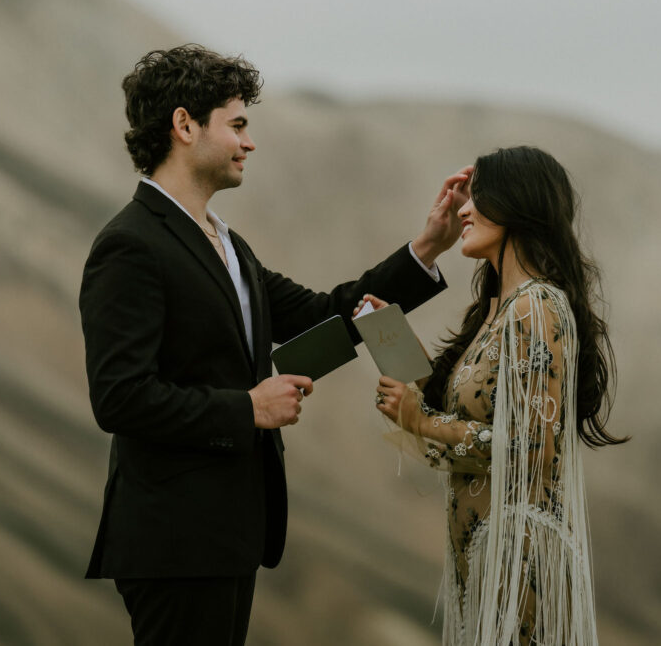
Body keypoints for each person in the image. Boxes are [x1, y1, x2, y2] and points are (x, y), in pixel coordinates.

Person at [78, 44, 467, 645]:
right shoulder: (130, 246)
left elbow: (323, 316)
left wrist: (427, 249)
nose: (248, 142)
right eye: (237, 125)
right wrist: (249, 408)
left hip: (229, 534)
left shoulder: (228, 245)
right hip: (175, 541)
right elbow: (120, 398)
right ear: (185, 125)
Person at [363, 146, 628, 645]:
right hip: (482, 563)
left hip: (520, 564)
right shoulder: (498, 310)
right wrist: (411, 369)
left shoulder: (537, 306)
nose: (463, 210)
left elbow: (528, 448)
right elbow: (471, 430)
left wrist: (419, 420)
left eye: (478, 198)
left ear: (516, 205)